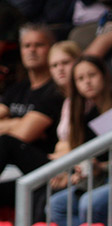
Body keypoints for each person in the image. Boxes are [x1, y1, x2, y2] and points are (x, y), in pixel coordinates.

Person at [46, 54, 112, 226]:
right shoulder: (83, 113)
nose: (87, 82)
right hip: (99, 180)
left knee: (89, 202)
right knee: (56, 205)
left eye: (91, 75)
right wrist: (75, 174)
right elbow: (87, 159)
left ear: (104, 75)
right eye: (80, 78)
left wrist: (102, 167)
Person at [0, 25, 63, 215]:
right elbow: (22, 127)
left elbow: (23, 135)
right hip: (17, 172)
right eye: (27, 45)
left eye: (39, 45)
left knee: (7, 143)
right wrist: (19, 122)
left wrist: (11, 123)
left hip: (47, 168)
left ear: (51, 48)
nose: (32, 50)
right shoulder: (18, 89)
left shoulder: (54, 91)